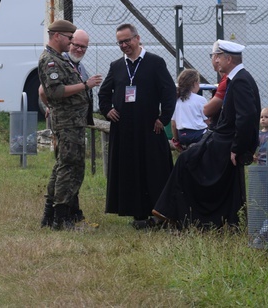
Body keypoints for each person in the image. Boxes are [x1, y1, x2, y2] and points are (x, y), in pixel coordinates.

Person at [152, 39, 260, 230]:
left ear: (226, 59)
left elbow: (247, 117)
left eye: (215, 57)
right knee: (188, 159)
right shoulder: (239, 78)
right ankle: (174, 214)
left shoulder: (240, 80)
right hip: (222, 138)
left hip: (226, 142)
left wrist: (238, 148)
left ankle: (174, 214)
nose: (214, 61)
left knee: (187, 160)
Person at [98, 23, 176, 229]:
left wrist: (164, 118)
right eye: (120, 42)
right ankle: (137, 212)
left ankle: (159, 213)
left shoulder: (155, 62)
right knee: (130, 170)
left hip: (150, 128)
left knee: (153, 169)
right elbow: (103, 94)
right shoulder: (116, 66)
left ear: (137, 38)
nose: (124, 45)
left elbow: (169, 93)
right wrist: (107, 110)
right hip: (124, 130)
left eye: (127, 40)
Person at [38, 20, 102, 230]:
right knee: (69, 169)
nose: (71, 43)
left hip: (73, 123)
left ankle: (52, 216)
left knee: (64, 167)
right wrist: (85, 85)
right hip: (67, 123)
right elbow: (54, 92)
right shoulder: (50, 60)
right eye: (69, 39)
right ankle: (62, 218)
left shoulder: (58, 59)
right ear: (57, 36)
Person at [170, 68, 208, 151]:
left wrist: (176, 140)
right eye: (198, 82)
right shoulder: (201, 100)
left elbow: (173, 124)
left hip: (182, 135)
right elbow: (207, 121)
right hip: (199, 135)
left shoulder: (176, 100)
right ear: (194, 84)